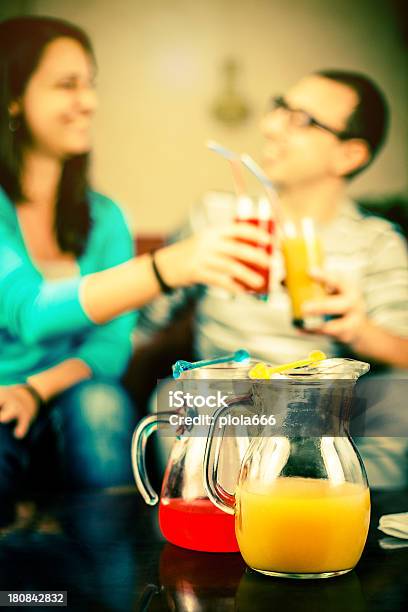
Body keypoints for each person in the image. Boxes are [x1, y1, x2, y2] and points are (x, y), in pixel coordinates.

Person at [0, 15, 272, 526]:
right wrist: (168, 266)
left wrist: (37, 390)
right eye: (66, 84)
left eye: (90, 84)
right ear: (13, 97)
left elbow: (109, 347)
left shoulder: (105, 218)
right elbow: (29, 310)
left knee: (101, 405)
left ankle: (111, 578)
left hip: (69, 389)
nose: (89, 101)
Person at [137, 70, 408, 488]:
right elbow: (143, 323)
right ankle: (217, 527)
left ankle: (358, 525)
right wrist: (177, 265)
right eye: (278, 107)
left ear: (349, 156)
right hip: (232, 406)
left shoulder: (377, 243)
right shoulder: (217, 218)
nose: (270, 126)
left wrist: (360, 330)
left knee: (399, 395)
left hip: (324, 410)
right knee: (177, 397)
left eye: (301, 119)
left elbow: (403, 349)